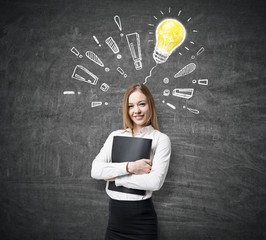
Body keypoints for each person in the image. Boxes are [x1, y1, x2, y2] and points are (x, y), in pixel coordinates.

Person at [91, 83, 171, 240]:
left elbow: (155, 182)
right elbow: (95, 170)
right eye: (131, 106)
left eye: (142, 104)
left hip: (142, 223)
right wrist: (130, 167)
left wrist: (116, 178)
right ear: (126, 109)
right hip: (115, 222)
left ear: (150, 105)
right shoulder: (115, 136)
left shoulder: (160, 139)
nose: (137, 111)